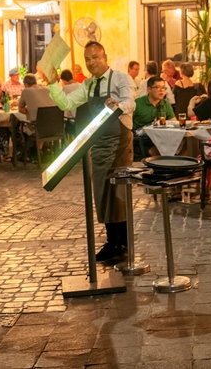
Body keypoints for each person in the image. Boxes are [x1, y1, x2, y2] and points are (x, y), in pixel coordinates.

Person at [44, 41, 135, 265]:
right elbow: (66, 104)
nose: (92, 62)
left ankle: (122, 245)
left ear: (105, 57)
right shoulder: (89, 85)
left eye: (95, 58)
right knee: (101, 192)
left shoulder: (121, 78)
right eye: (87, 59)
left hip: (120, 142)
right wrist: (54, 84)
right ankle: (112, 241)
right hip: (98, 143)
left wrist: (118, 106)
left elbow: (130, 102)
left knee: (117, 194)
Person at [131, 75, 176, 160]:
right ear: (149, 89)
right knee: (159, 153)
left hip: (162, 137)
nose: (161, 90)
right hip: (142, 139)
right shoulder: (138, 103)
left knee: (181, 147)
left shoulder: (165, 104)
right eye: (158, 87)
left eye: (163, 88)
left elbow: (173, 121)